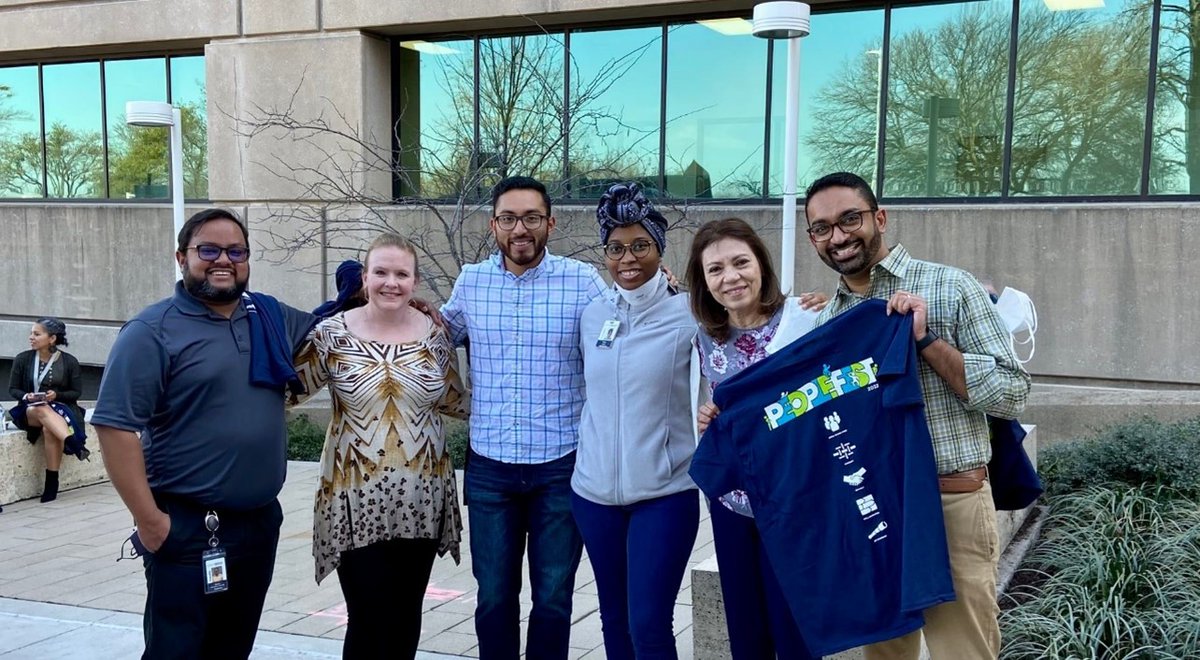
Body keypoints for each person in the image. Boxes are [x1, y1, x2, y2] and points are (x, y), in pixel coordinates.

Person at [802, 171, 1031, 659]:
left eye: (849, 219)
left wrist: (926, 341)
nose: (838, 236)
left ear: (879, 218)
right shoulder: (825, 325)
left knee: (963, 652)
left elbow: (1012, 394)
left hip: (952, 503)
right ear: (813, 240)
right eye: (822, 228)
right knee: (885, 653)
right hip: (876, 512)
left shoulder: (951, 286)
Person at [92, 208, 317, 660]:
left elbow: (336, 322)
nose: (223, 261)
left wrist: (397, 299)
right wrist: (150, 522)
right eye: (208, 250)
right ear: (181, 257)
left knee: (232, 650)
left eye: (236, 251)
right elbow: (115, 427)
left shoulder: (268, 316)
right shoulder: (151, 331)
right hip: (187, 527)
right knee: (177, 651)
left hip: (258, 523)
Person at [441, 175, 606, 660]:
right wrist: (359, 311)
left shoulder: (582, 283)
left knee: (553, 599)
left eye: (532, 217)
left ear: (549, 223)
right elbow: (432, 335)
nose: (521, 228)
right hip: (490, 467)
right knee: (493, 597)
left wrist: (672, 289)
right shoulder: (471, 282)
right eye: (509, 218)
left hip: (561, 466)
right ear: (493, 225)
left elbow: (629, 322)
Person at [292, 233, 469, 659]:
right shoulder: (331, 335)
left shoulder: (435, 335)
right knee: (369, 617)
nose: (392, 283)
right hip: (354, 498)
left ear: (415, 280)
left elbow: (454, 401)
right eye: (381, 273)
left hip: (422, 498)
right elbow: (284, 392)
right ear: (365, 279)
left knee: (406, 616)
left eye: (402, 274)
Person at [571, 182, 700, 659]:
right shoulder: (591, 315)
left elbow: (753, 326)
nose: (628, 258)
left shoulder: (691, 314)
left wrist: (805, 307)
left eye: (640, 245)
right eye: (616, 248)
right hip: (593, 496)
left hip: (664, 495)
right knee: (614, 619)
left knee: (648, 624)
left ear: (659, 248)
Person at [686, 217, 823, 660]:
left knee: (795, 630)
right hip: (733, 504)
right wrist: (709, 419)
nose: (731, 277)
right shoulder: (706, 338)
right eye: (716, 269)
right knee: (746, 633)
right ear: (704, 282)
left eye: (740, 262)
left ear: (761, 265)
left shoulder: (805, 319)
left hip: (794, 501)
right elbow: (718, 409)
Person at [7, 317, 89, 502]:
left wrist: (56, 395)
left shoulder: (69, 361)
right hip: (29, 410)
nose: (31, 337)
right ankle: (74, 443)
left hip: (60, 408)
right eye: (31, 333)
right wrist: (26, 396)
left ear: (52, 338)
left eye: (37, 334)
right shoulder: (23, 359)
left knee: (50, 430)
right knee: (41, 410)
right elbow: (13, 389)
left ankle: (51, 484)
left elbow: (76, 392)